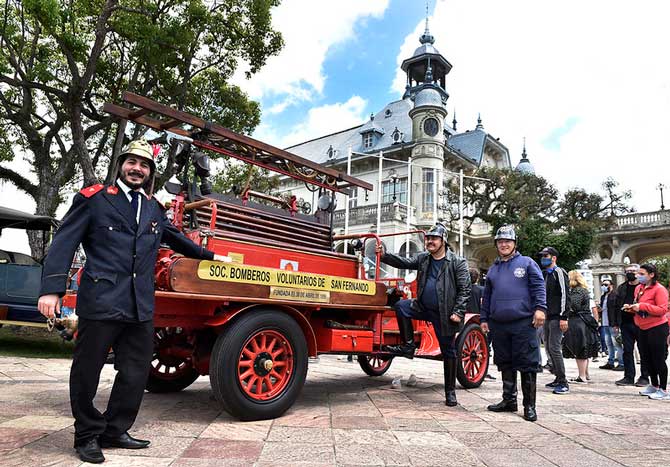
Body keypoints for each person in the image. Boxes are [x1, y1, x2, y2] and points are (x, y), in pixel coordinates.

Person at [37, 140, 229, 464]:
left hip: (139, 304)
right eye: (132, 162)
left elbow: (176, 238)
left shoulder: (154, 208)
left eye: (144, 165)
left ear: (150, 172)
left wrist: (212, 257)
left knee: (136, 371)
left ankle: (115, 429)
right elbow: (64, 242)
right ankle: (86, 435)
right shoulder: (94, 200)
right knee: (87, 371)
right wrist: (51, 290)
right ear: (121, 165)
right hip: (101, 300)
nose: (137, 169)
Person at [379, 223, 471, 407]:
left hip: (444, 313)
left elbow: (465, 289)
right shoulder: (424, 259)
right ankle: (408, 346)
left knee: (449, 351)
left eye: (434, 238)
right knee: (401, 306)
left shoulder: (457, 262)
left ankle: (450, 392)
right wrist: (384, 255)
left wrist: (458, 312)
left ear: (443, 240)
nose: (430, 241)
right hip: (422, 307)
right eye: (428, 238)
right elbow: (403, 262)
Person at [481, 225, 546, 422]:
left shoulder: (527, 263)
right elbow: (487, 296)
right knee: (505, 362)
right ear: (496, 244)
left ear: (514, 243)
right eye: (500, 242)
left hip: (523, 322)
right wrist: (484, 318)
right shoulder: (493, 269)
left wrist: (540, 309)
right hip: (499, 323)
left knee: (527, 364)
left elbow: (538, 286)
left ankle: (529, 406)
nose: (504, 244)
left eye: (507, 241)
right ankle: (509, 400)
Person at [627, 264, 669, 400]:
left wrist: (642, 306)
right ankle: (654, 385)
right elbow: (639, 306)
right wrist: (633, 308)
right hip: (642, 327)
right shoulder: (639, 288)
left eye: (642, 273)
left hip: (657, 327)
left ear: (651, 275)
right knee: (646, 358)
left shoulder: (659, 289)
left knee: (658, 359)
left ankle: (663, 388)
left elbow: (662, 310)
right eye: (638, 273)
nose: (638, 276)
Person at [538, 246, 571, 395]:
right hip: (547, 316)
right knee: (549, 348)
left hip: (557, 316)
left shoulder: (559, 272)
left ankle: (563, 381)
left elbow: (565, 295)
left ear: (553, 258)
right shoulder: (546, 274)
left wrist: (564, 316)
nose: (543, 258)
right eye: (542, 256)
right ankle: (557, 377)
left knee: (555, 348)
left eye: (546, 255)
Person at [615, 264, 650, 387]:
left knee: (643, 350)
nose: (630, 273)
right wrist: (615, 323)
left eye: (633, 271)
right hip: (625, 323)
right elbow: (616, 305)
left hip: (641, 323)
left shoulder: (643, 288)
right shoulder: (622, 287)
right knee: (627, 351)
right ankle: (629, 376)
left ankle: (644, 377)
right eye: (628, 271)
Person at [563, 271, 600, 383]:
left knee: (580, 348)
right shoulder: (582, 290)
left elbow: (574, 305)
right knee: (585, 348)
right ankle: (585, 374)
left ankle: (582, 376)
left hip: (578, 321)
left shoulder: (577, 291)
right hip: (584, 321)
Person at [468, 268, 495, 381]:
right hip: (478, 321)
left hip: (465, 322)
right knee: (484, 348)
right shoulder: (481, 290)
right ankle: (483, 371)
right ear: (477, 278)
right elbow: (484, 305)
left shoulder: (462, 290)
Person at [599, 280, 624, 370]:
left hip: (613, 323)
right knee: (608, 344)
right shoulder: (603, 296)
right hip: (605, 323)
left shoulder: (615, 296)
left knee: (616, 344)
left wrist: (617, 324)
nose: (604, 286)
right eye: (602, 285)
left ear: (611, 285)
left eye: (606, 284)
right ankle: (610, 361)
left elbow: (617, 311)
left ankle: (621, 363)